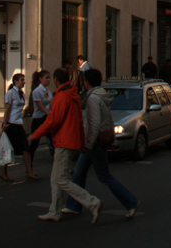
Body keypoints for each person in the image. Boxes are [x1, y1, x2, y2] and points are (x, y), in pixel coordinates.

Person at [62, 69, 138, 219]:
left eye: (84, 80)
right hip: (97, 141)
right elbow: (109, 119)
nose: (83, 83)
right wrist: (112, 139)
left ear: (87, 82)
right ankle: (74, 205)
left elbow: (94, 124)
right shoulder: (102, 95)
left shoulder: (92, 99)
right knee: (79, 173)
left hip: (94, 142)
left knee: (104, 176)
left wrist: (88, 144)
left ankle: (131, 202)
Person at [28, 68, 100, 223]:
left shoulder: (61, 97)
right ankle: (55, 211)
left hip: (63, 141)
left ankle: (92, 202)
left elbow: (52, 121)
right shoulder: (73, 95)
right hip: (70, 140)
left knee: (61, 179)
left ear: (55, 79)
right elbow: (79, 121)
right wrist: (81, 142)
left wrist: (33, 135)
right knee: (56, 178)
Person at [0, 72, 39, 183]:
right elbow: (7, 109)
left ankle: (29, 171)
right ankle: (4, 172)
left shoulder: (21, 93)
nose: (23, 82)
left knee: (26, 147)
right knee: (7, 149)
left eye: (24, 79)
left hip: (18, 124)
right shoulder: (10, 93)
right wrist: (5, 124)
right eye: (21, 80)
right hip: (10, 124)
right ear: (15, 81)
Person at [29, 70, 54, 160]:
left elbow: (50, 103)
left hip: (47, 118)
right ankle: (29, 162)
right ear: (40, 79)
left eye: (49, 78)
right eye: (46, 78)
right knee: (35, 142)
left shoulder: (48, 90)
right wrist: (51, 114)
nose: (48, 80)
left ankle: (57, 161)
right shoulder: (37, 91)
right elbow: (41, 107)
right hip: (38, 118)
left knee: (52, 138)